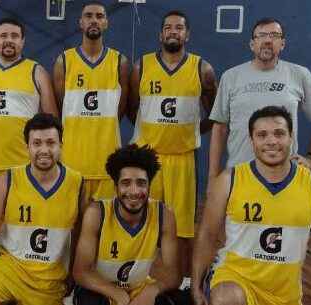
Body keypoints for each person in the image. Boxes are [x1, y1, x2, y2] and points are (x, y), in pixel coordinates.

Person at [192, 106, 311, 305]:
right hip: (236, 280)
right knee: (226, 298)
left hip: (285, 295)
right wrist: (195, 285)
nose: (271, 141)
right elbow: (207, 235)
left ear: (291, 137)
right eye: (262, 135)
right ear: (251, 140)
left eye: (279, 134)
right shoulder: (230, 180)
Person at [128, 10, 218, 288]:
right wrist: (151, 133)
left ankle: (185, 282)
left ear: (187, 34)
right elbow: (132, 107)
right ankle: (134, 275)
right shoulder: (141, 66)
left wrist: (189, 133)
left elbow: (214, 112)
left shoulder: (202, 68)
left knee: (183, 226)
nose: (173, 32)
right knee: (140, 218)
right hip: (147, 158)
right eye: (168, 27)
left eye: (179, 28)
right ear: (160, 34)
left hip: (182, 158)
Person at [0, 113, 82, 305]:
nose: (44, 150)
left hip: (49, 279)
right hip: (9, 267)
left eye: (50, 143)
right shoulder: (9, 178)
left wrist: (73, 273)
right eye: (37, 143)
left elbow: (79, 235)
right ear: (27, 147)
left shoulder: (77, 182)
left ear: (61, 145)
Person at [208, 17, 311, 181]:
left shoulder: (299, 74)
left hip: (285, 176)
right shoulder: (231, 76)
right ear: (252, 44)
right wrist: (212, 177)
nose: (268, 40)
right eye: (261, 35)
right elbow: (219, 128)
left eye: (274, 35)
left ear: (282, 44)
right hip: (240, 175)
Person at [0, 18, 58, 228]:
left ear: (23, 41)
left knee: (21, 228)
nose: (8, 41)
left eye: (14, 36)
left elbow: (52, 120)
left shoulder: (36, 71)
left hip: (22, 166)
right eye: (3, 36)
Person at [72, 144, 181, 305]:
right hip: (102, 289)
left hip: (139, 290)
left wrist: (151, 291)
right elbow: (81, 272)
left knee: (180, 299)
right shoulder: (97, 213)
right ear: (115, 187)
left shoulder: (164, 214)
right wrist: (118, 294)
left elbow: (174, 275)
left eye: (141, 183)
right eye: (126, 183)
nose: (134, 191)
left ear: (149, 185)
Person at [52, 1, 130, 202]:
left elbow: (119, 111)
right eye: (88, 16)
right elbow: (61, 108)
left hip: (107, 161)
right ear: (80, 23)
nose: (94, 20)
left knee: (104, 227)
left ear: (106, 23)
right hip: (72, 160)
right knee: (72, 226)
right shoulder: (64, 61)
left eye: (99, 16)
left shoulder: (119, 62)